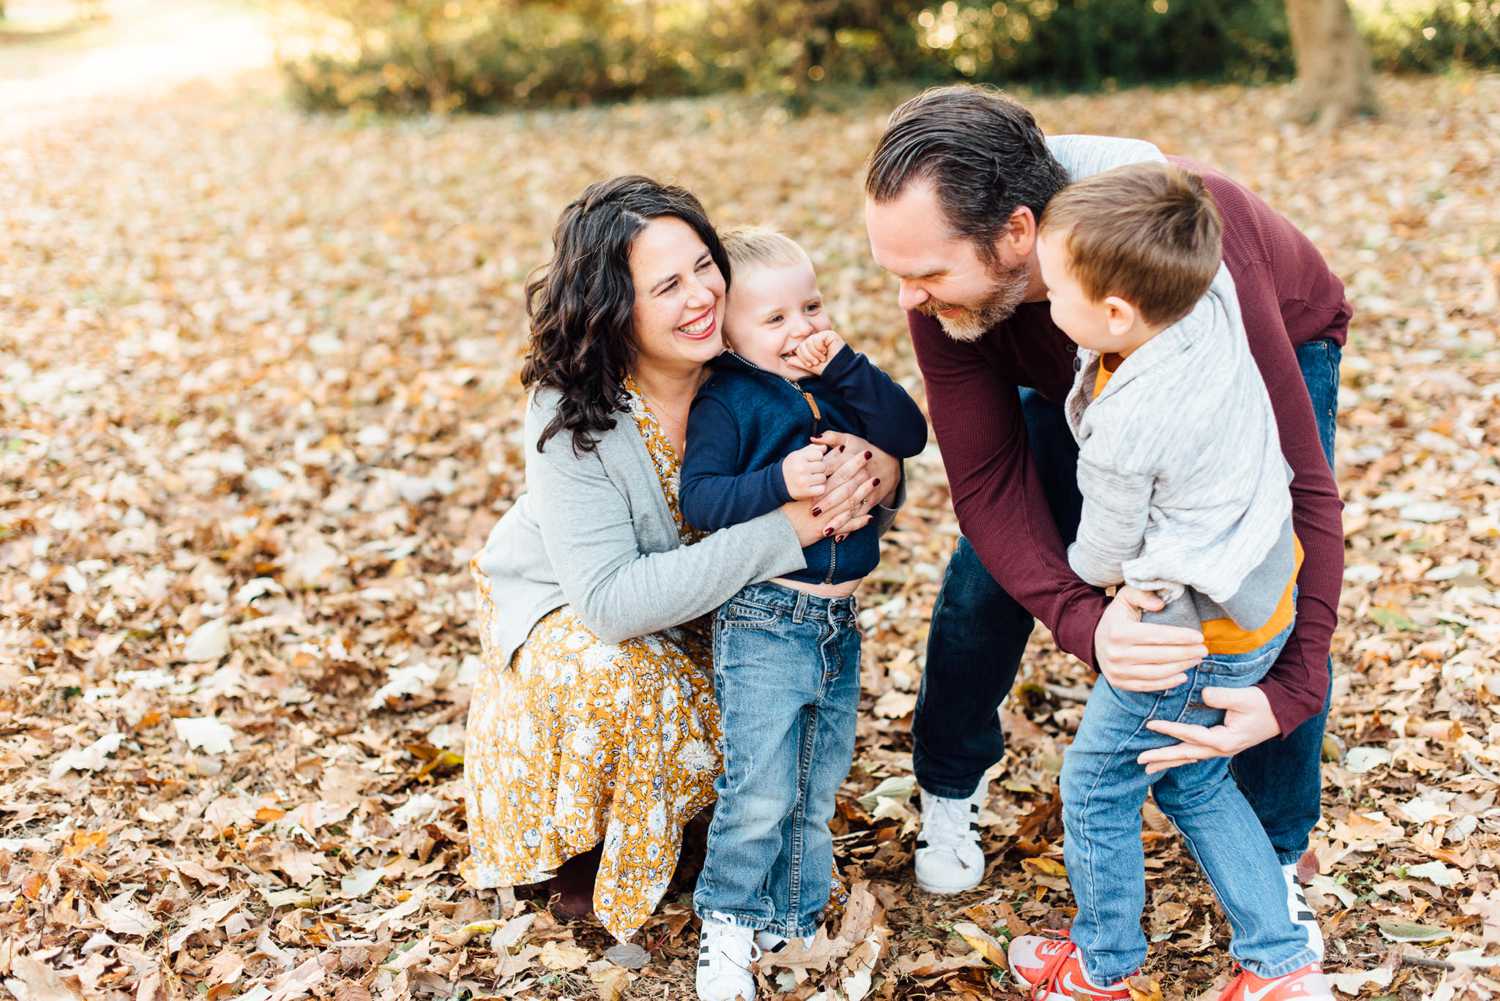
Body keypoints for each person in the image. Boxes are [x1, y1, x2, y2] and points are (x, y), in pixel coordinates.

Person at [863, 85, 1347, 953]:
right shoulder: (959, 292)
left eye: (928, 273)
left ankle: (1274, 849)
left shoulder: (1188, 242)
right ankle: (949, 781)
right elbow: (987, 478)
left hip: (1268, 338)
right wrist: (1087, 622)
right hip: (1070, 362)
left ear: (1017, 232)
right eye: (897, 272)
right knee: (990, 567)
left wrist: (1294, 686)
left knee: (1248, 577)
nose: (909, 300)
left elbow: (1306, 494)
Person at [462, 177, 904, 943]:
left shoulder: (754, 349)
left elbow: (860, 437)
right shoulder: (574, 411)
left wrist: (878, 470)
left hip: (724, 602)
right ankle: (592, 842)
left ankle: (706, 816)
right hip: (581, 611)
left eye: (705, 265)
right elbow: (612, 602)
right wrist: (791, 527)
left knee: (781, 677)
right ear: (614, 308)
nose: (701, 294)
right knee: (629, 678)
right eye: (666, 285)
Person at [1000, 163, 1332, 1001]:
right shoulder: (1206, 305)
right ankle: (1280, 962)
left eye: (1056, 284)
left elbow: (1103, 549)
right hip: (1259, 596)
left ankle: (1102, 966)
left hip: (1190, 627)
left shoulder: (1128, 423)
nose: (1042, 291)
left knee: (1097, 780)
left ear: (1113, 313)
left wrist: (1083, 582)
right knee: (1191, 773)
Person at [679, 228, 927, 1001]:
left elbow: (910, 434)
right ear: (730, 333)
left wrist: (847, 367)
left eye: (812, 306)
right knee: (758, 786)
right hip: (764, 614)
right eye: (776, 319)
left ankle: (791, 917)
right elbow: (703, 497)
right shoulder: (729, 398)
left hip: (836, 623)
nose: (803, 330)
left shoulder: (837, 379)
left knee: (817, 780)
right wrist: (781, 479)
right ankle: (726, 922)